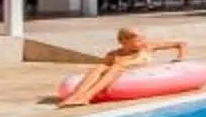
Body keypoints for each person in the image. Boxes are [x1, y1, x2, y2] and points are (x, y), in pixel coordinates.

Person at [58, 28, 188, 108]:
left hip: (136, 75)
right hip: (117, 74)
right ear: (123, 41)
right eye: (138, 41)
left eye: (142, 39)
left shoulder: (147, 47)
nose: (142, 43)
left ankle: (87, 97)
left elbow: (181, 44)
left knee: (117, 67)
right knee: (99, 67)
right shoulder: (113, 54)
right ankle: (75, 96)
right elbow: (102, 71)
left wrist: (180, 58)